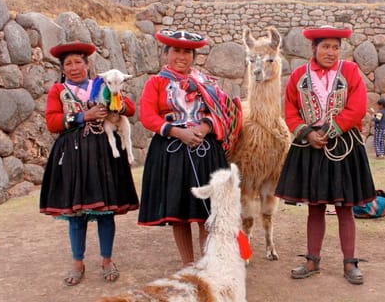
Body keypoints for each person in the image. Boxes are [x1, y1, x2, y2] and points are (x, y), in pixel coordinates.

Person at [275, 26, 377, 285]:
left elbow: (358, 106)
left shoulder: (350, 71)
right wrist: (307, 133)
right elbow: (290, 108)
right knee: (316, 208)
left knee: (345, 208)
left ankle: (350, 262)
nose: (331, 52)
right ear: (314, 48)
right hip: (310, 147)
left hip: (343, 147)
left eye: (335, 47)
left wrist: (330, 130)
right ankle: (312, 260)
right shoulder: (299, 75)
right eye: (326, 47)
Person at [137, 29, 241, 267]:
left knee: (206, 212)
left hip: (206, 152)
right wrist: (177, 131)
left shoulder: (206, 84)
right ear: (166, 54)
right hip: (172, 153)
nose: (181, 57)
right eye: (176, 51)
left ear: (194, 56)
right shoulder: (156, 83)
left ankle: (206, 264)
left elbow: (221, 112)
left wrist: (204, 128)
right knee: (180, 212)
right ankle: (188, 265)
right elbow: (148, 115)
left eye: (187, 52)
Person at [39, 41, 139, 286]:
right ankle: (77, 261)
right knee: (76, 213)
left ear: (87, 64)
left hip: (104, 153)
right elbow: (52, 121)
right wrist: (84, 116)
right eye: (68, 64)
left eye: (78, 62)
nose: (74, 68)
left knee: (105, 211)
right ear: (63, 68)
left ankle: (107, 260)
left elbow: (130, 108)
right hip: (73, 156)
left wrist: (118, 105)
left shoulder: (103, 84)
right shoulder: (58, 91)